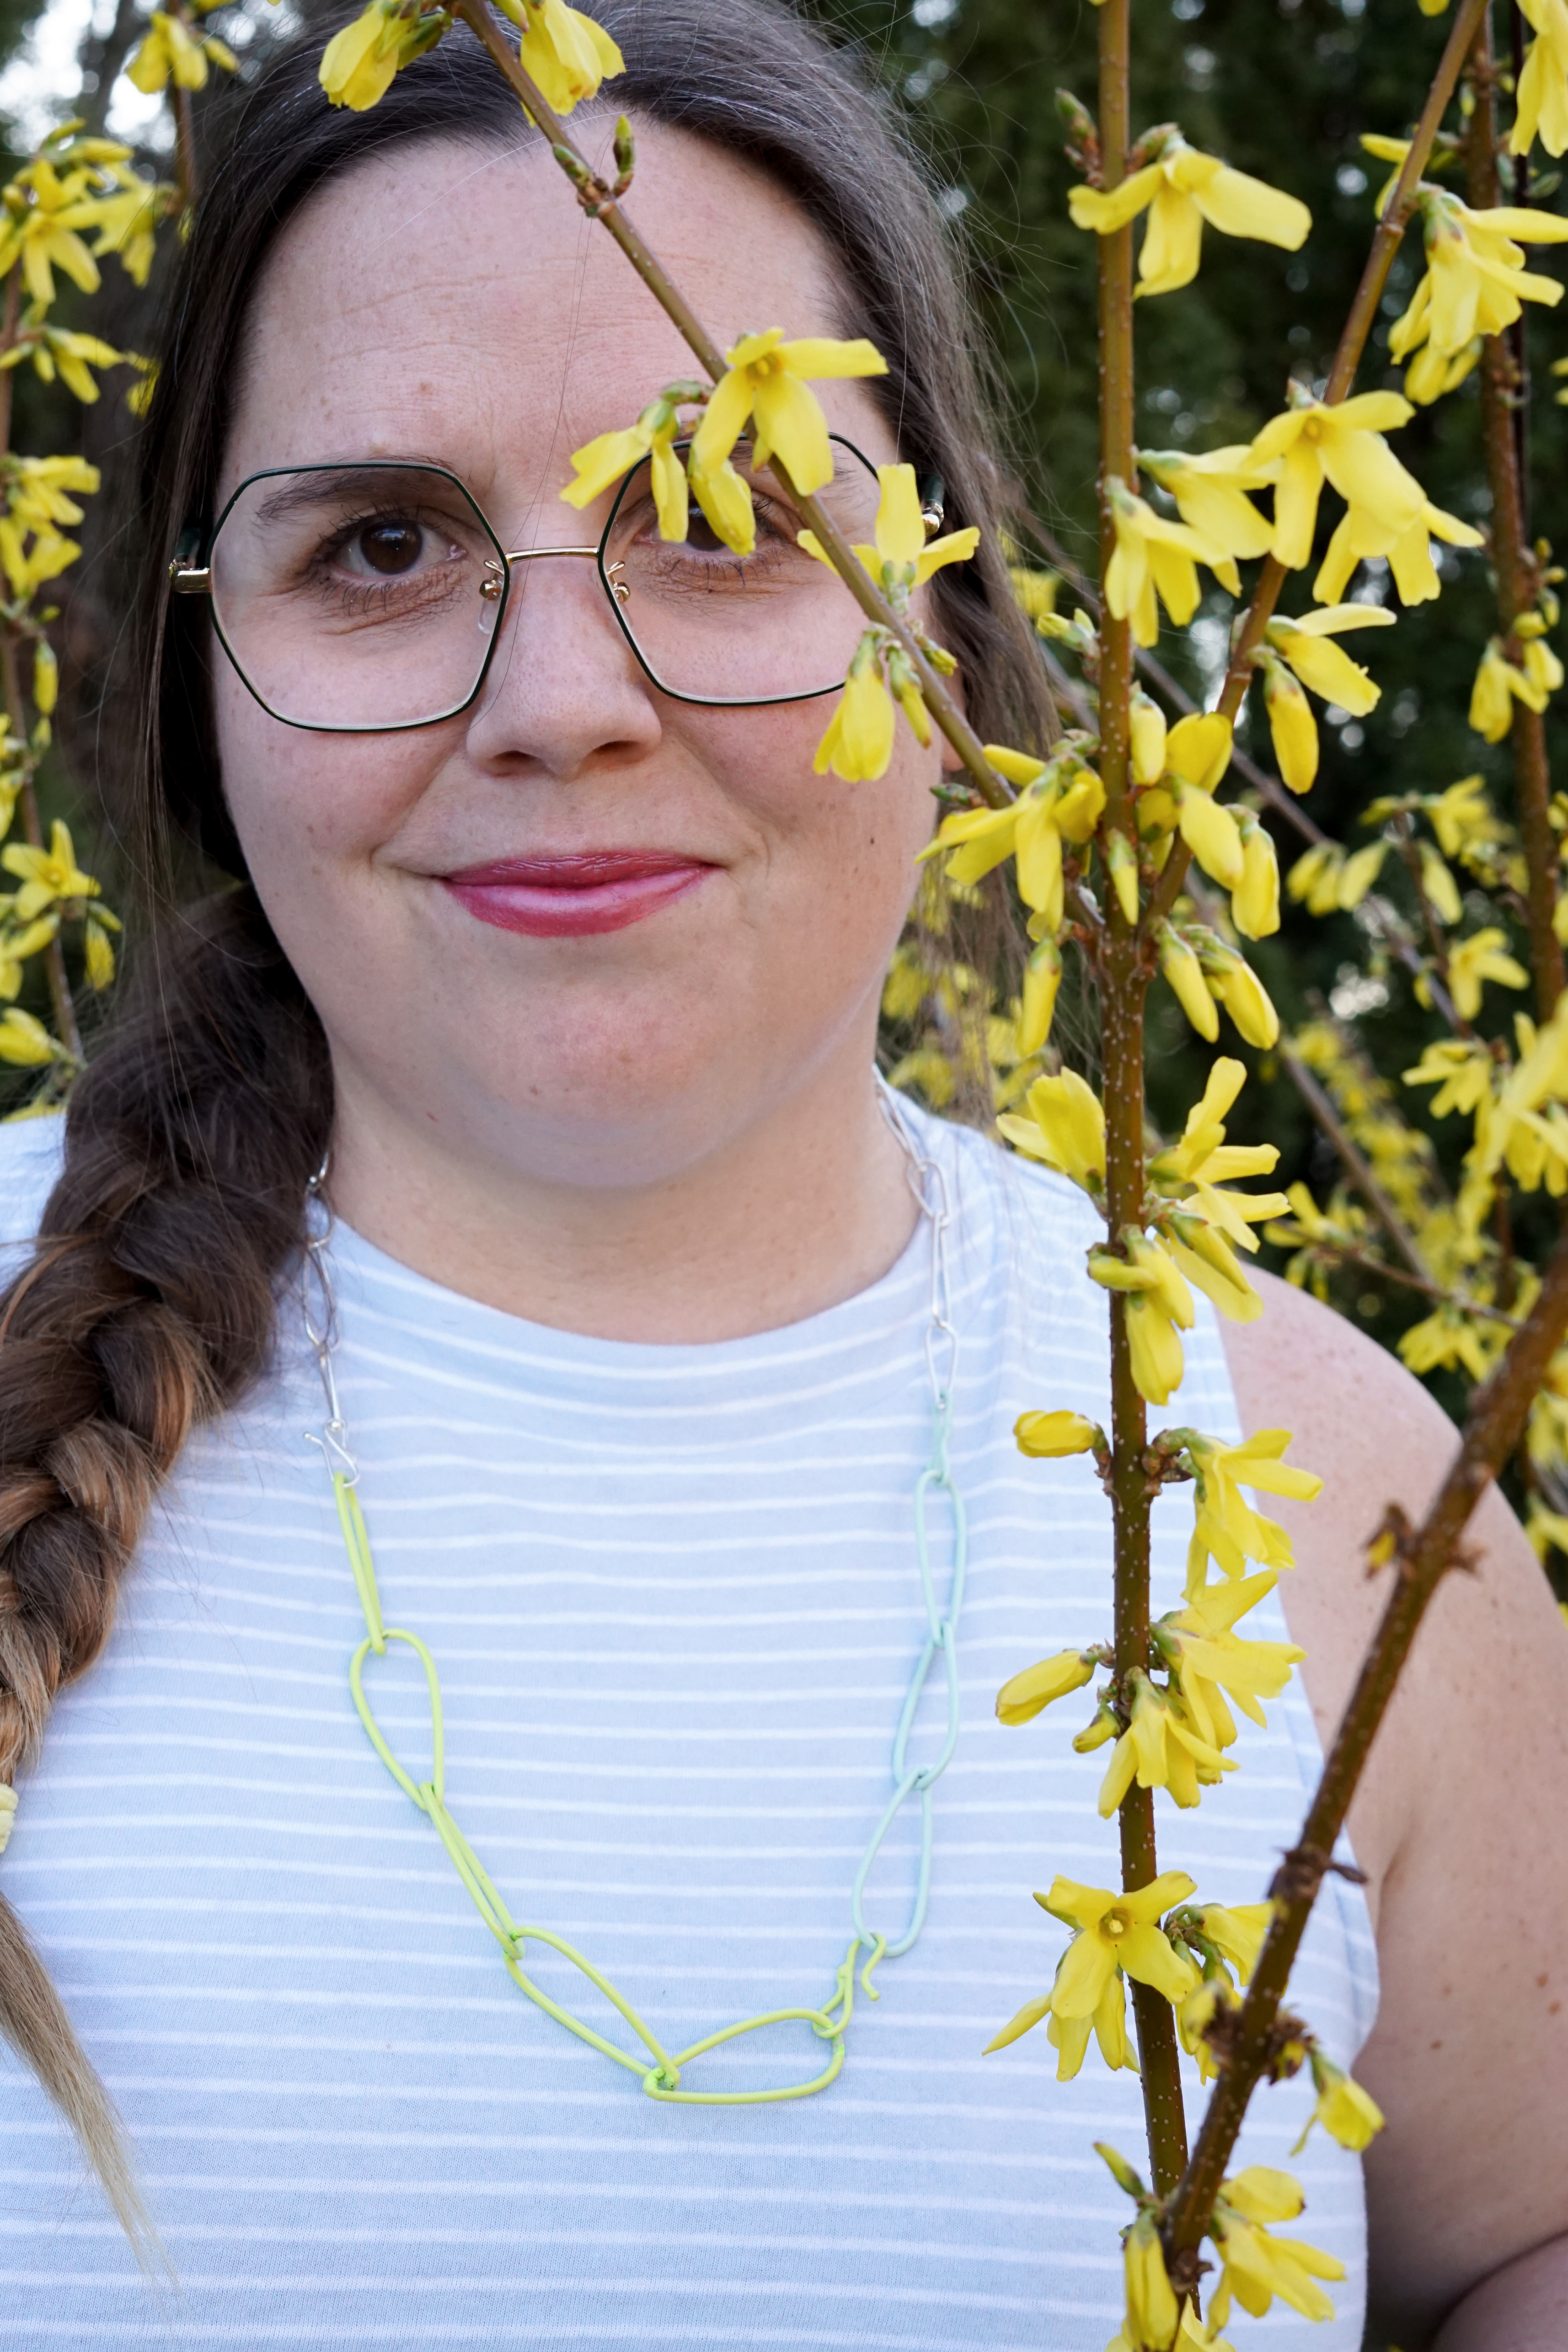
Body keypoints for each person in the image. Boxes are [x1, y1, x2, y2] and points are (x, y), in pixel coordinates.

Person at [0, 6, 1562, 2347]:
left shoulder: (1327, 1485)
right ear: (208, 691)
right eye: (384, 543)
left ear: (942, 612)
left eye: (725, 517)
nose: (554, 699)